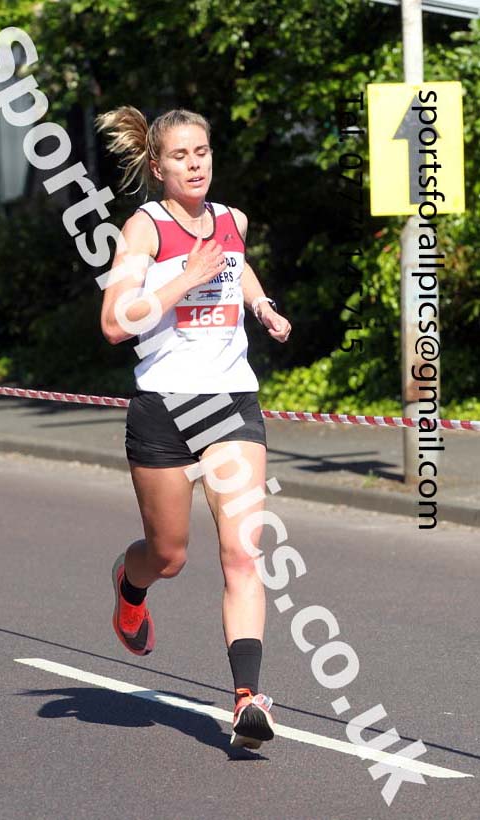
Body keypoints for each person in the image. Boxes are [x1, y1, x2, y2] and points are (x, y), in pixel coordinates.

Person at [97, 106, 292, 749]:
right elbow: (115, 322)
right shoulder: (145, 228)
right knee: (170, 555)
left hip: (231, 401)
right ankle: (130, 585)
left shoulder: (232, 219)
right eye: (180, 156)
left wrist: (260, 305)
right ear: (158, 166)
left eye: (202, 152)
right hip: (163, 405)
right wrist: (186, 279)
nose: (195, 164)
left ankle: (247, 698)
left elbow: (234, 262)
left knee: (242, 552)